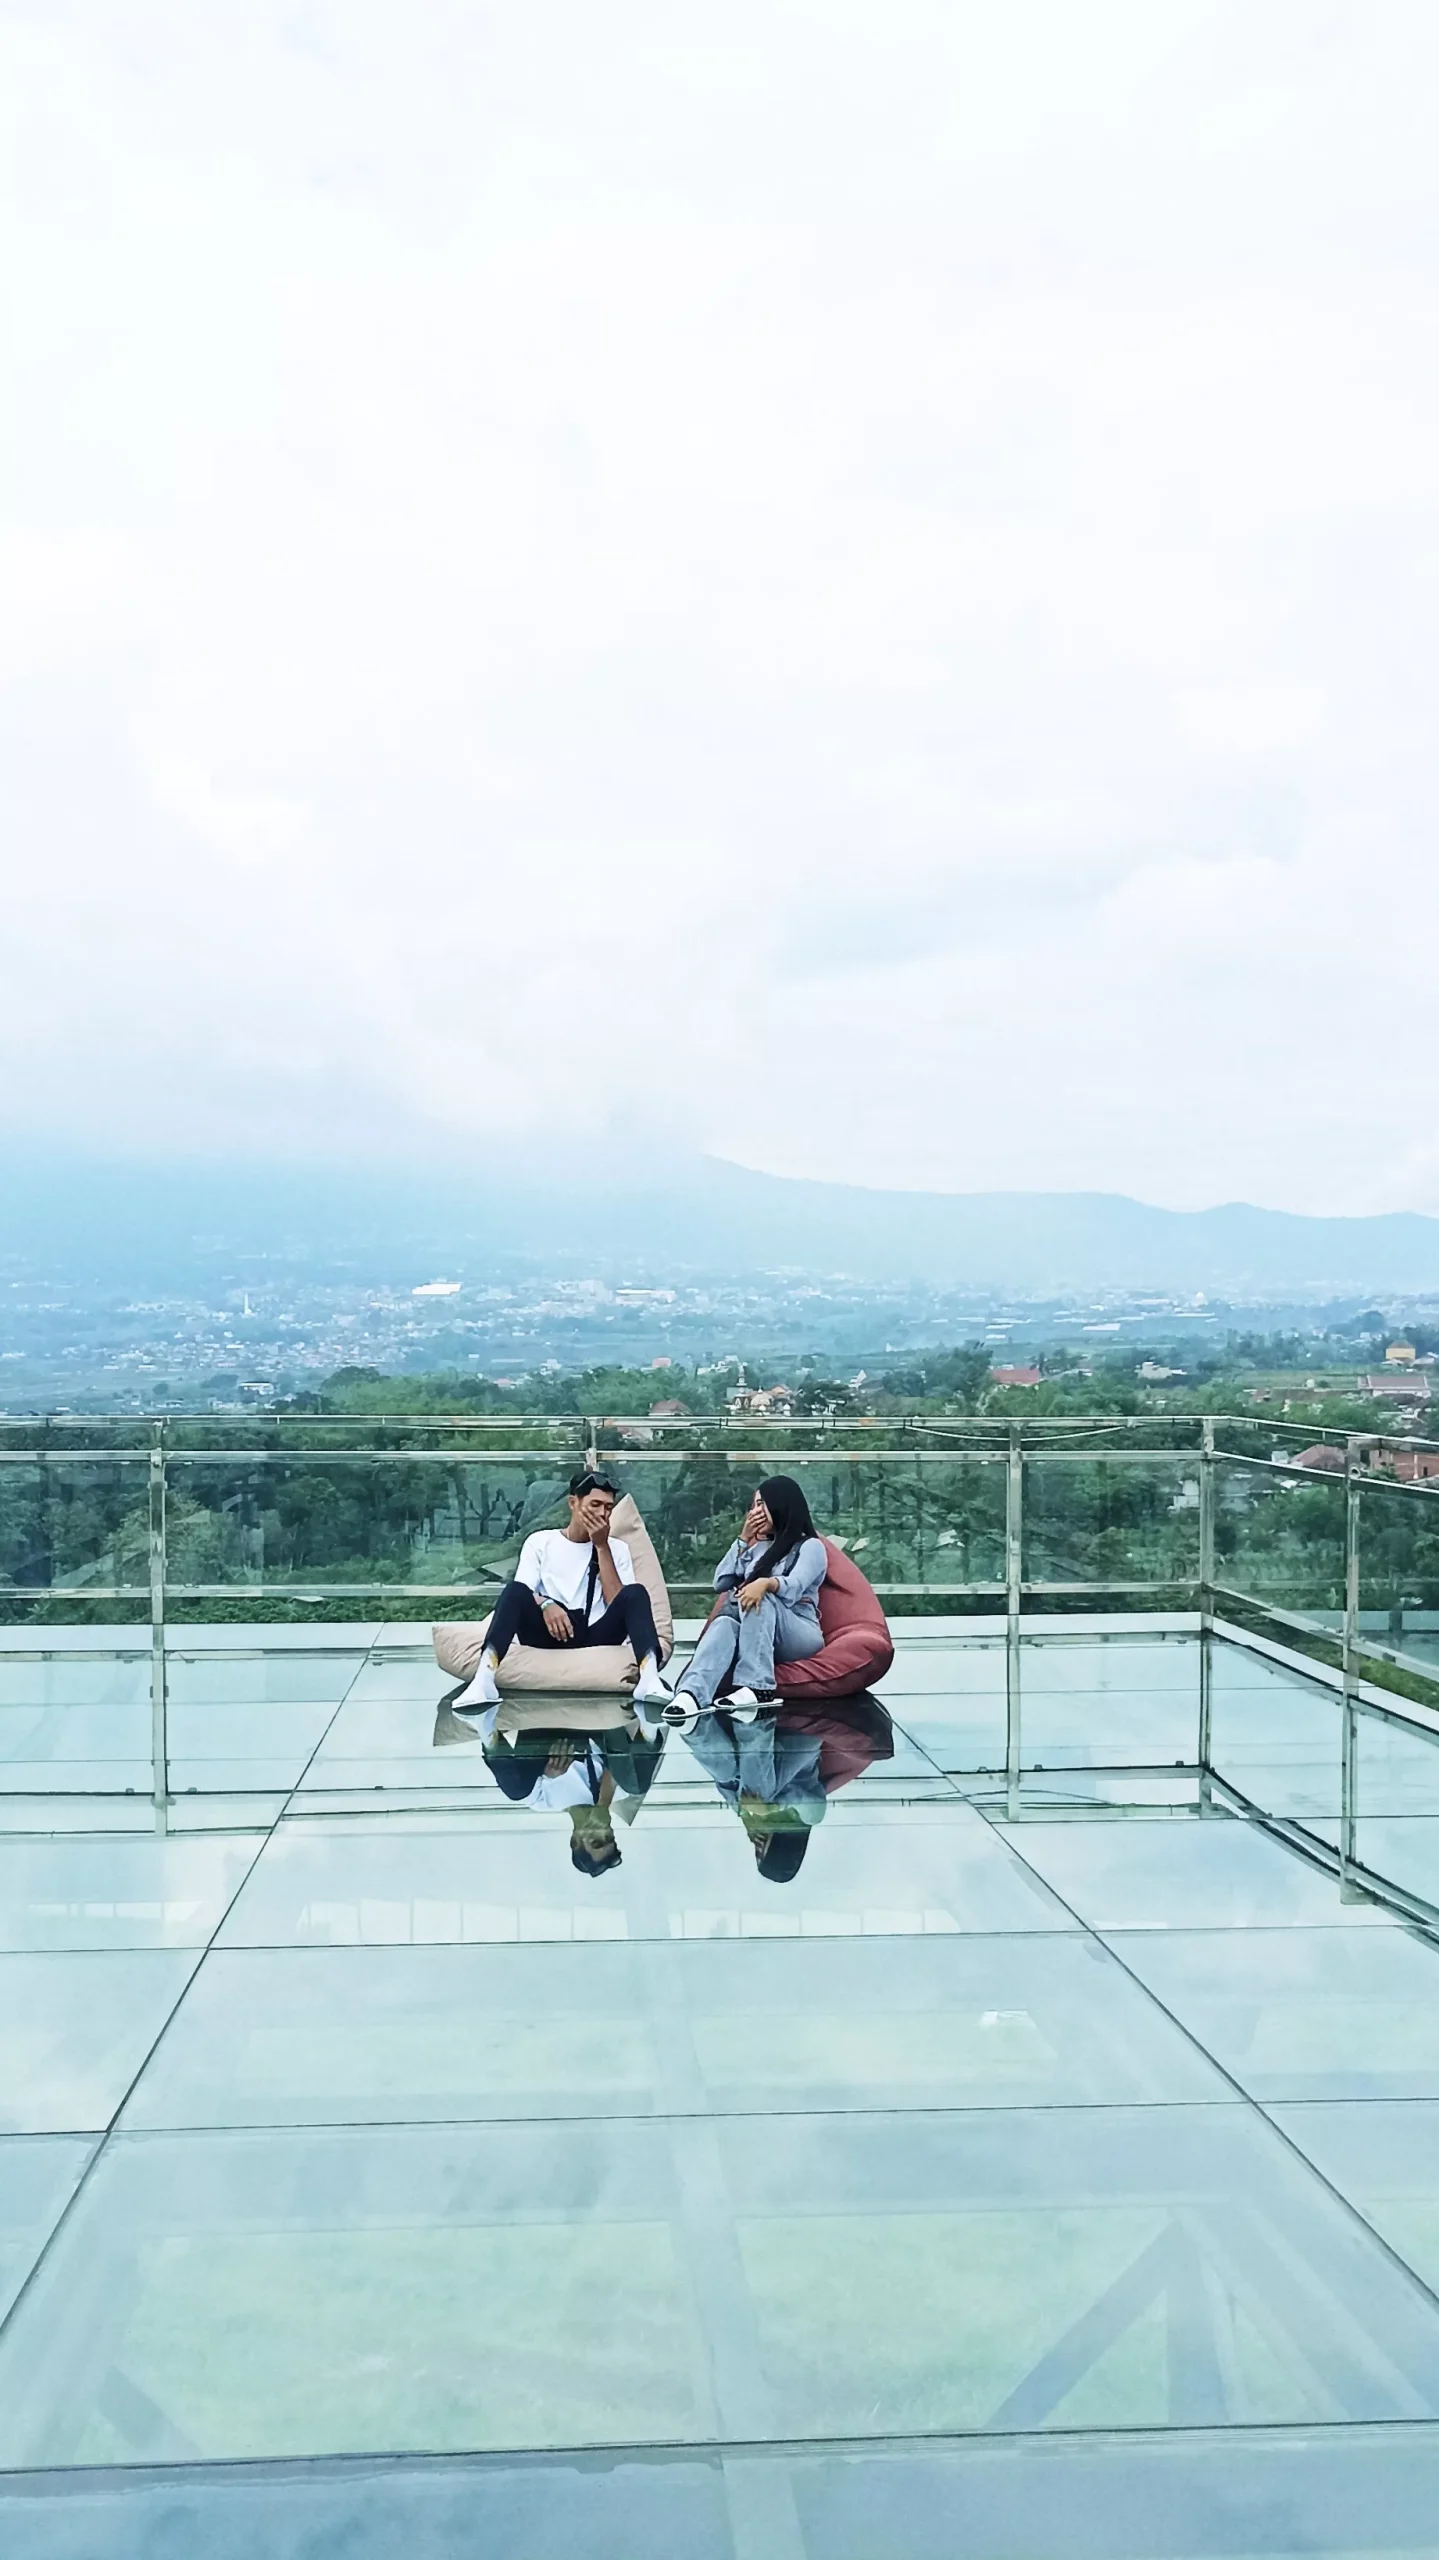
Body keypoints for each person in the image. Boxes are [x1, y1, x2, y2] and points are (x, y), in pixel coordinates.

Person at [452, 1469, 672, 1722]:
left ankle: (649, 1678)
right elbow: (524, 1590)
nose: (602, 1513)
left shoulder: (617, 1548)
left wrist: (601, 1546)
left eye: (608, 1507)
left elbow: (617, 1603)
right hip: (547, 1632)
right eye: (595, 1505)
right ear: (573, 1503)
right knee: (513, 1590)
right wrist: (546, 1604)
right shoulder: (540, 1542)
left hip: (596, 1634)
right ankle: (484, 1680)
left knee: (636, 1593)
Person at [665, 1475, 827, 1729]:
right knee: (724, 1624)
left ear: (780, 1504)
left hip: (797, 1633)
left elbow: (795, 1586)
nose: (755, 1512)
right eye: (753, 1506)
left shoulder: (811, 1546)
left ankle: (758, 1687)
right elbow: (721, 1581)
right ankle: (691, 1694)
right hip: (758, 1633)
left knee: (761, 1597)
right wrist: (743, 1538)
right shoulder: (759, 1548)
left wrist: (765, 1583)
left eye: (761, 1504)